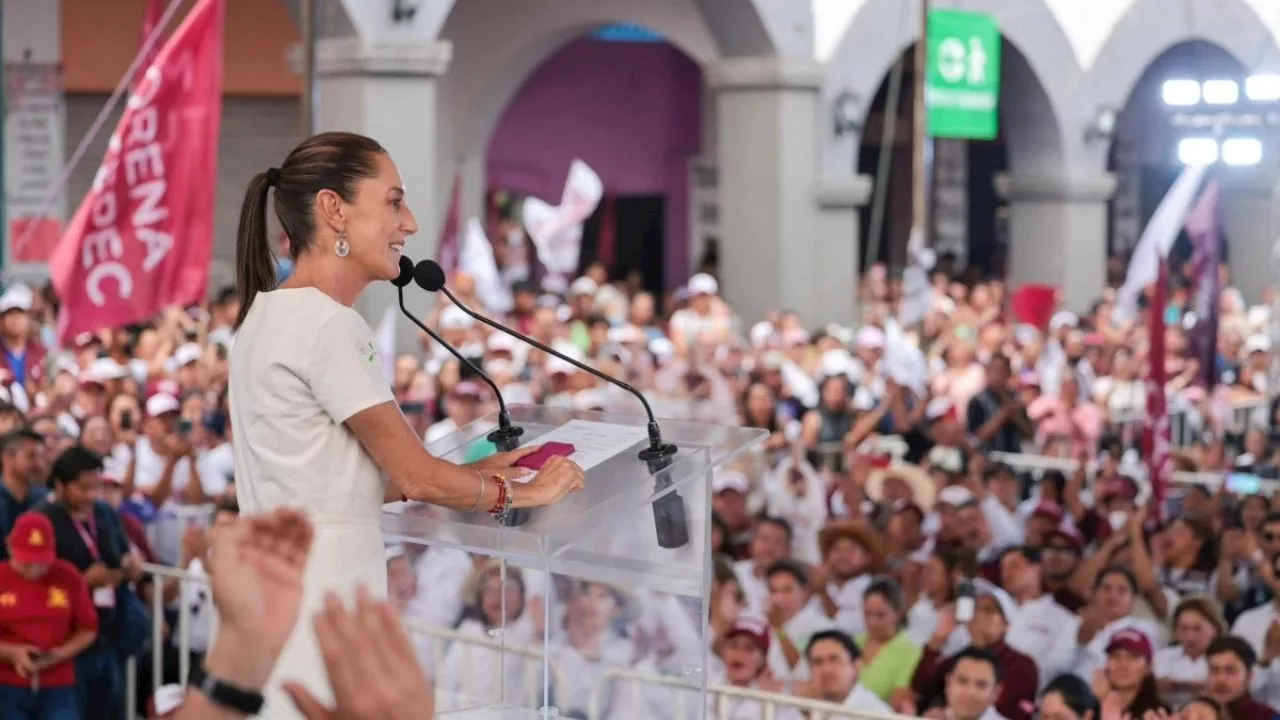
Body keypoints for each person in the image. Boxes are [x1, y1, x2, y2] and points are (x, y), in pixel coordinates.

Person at [227, 131, 585, 718]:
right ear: (334, 209)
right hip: (328, 602)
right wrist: (522, 493)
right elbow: (418, 481)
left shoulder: (263, 318)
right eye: (394, 201)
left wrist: (477, 466)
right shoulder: (328, 325)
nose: (410, 223)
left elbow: (337, 479)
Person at [0, 512, 98, 720]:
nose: (35, 569)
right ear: (10, 548)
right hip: (6, 685)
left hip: (58, 684)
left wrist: (61, 653)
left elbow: (88, 628)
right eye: (27, 562)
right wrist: (11, 652)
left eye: (42, 562)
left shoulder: (68, 576)